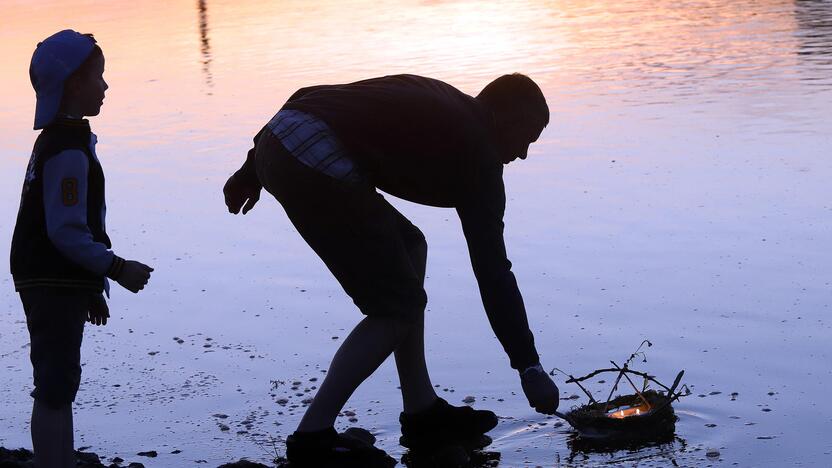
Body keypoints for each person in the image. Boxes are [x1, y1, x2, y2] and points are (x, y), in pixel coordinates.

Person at [224, 73, 559, 466]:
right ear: (503, 117)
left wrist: (252, 168)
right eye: (526, 138)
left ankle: (421, 411)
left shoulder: (451, 106)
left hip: (279, 138)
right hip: (309, 156)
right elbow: (492, 270)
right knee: (396, 308)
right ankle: (311, 438)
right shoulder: (479, 153)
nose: (522, 154)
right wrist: (528, 364)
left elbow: (308, 97)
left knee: (410, 246)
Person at [10, 30, 153, 468]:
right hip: (49, 276)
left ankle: (59, 458)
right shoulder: (67, 148)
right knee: (55, 380)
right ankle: (53, 462)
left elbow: (74, 224)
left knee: (61, 376)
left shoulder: (63, 138)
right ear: (74, 83)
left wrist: (88, 285)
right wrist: (116, 268)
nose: (105, 87)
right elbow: (67, 230)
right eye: (99, 77)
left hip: (55, 276)